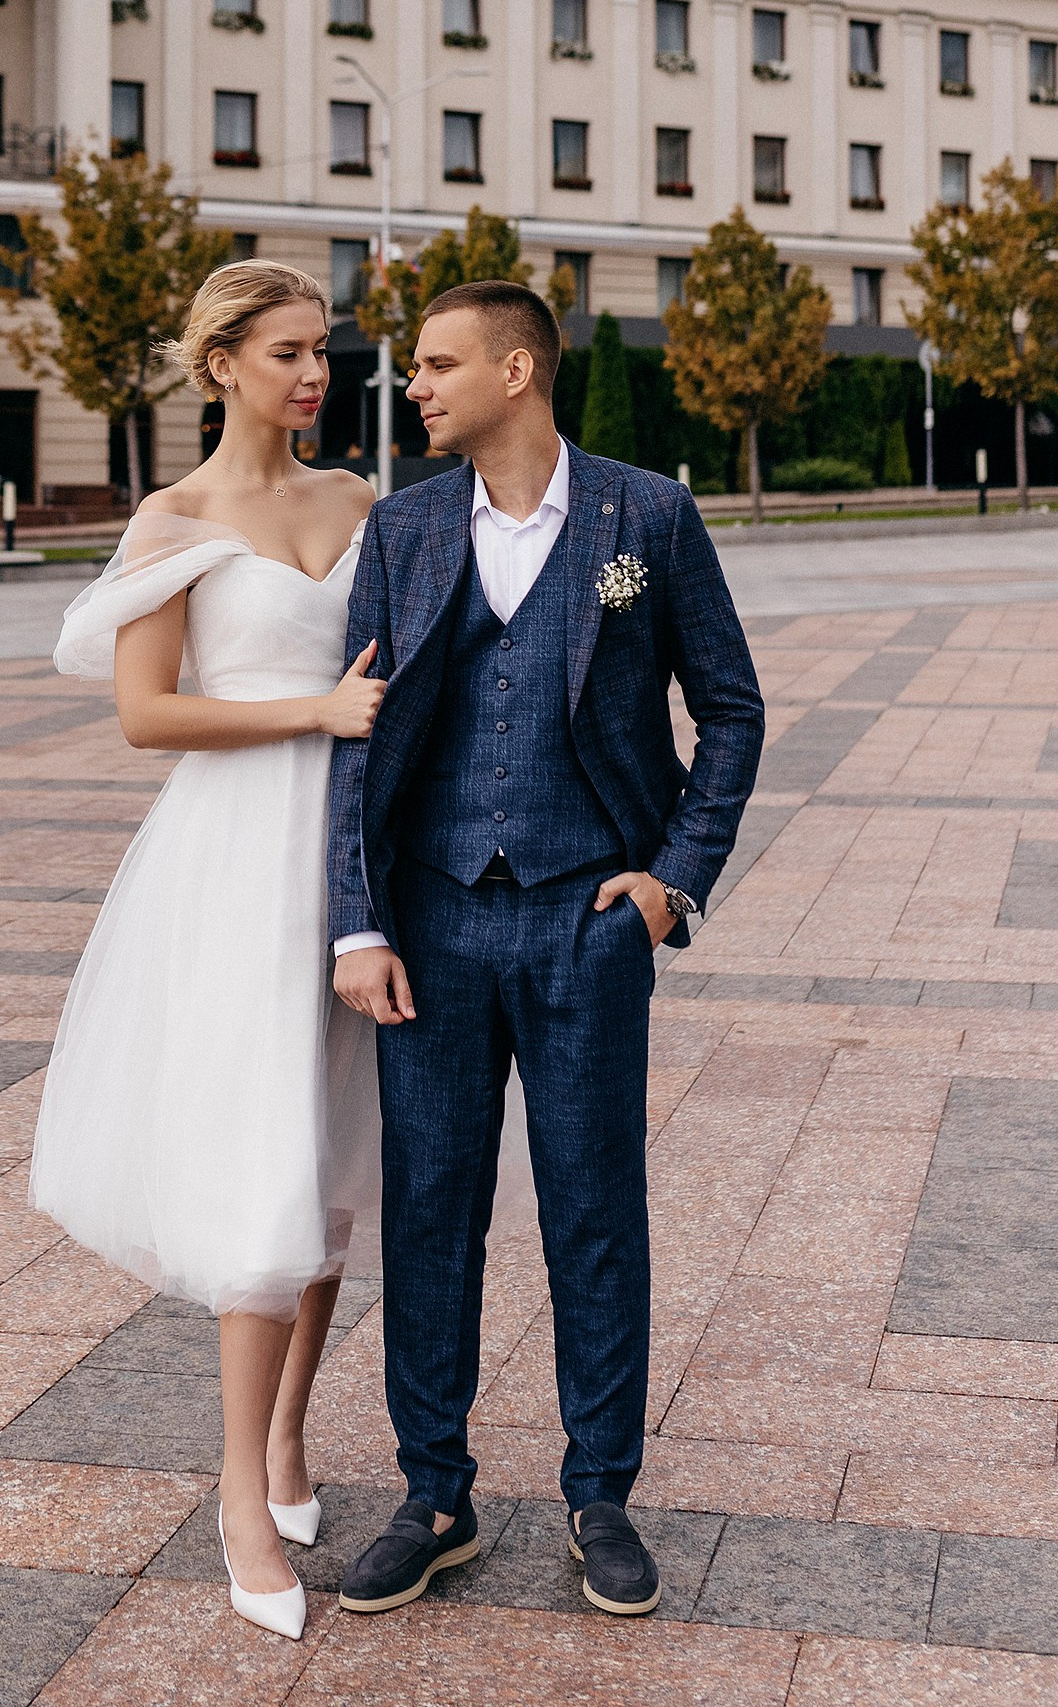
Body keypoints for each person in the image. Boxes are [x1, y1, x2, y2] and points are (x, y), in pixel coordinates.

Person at [327, 280, 764, 1625]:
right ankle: (433, 1495)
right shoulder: (399, 530)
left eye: (438, 364)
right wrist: (356, 921)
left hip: (588, 919)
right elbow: (358, 742)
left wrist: (669, 885)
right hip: (435, 925)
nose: (415, 386)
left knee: (591, 1211)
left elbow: (733, 713)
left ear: (517, 372)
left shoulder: (648, 515)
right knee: (431, 1211)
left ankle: (601, 1495)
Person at [32, 261, 384, 1646]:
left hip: (353, 860)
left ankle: (293, 1434)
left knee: (335, 1150)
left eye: (325, 354)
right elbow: (144, 716)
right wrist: (314, 712)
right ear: (222, 361)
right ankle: (240, 1491)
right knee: (259, 1153)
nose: (317, 375)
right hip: (236, 857)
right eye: (291, 352)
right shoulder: (170, 518)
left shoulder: (360, 502)